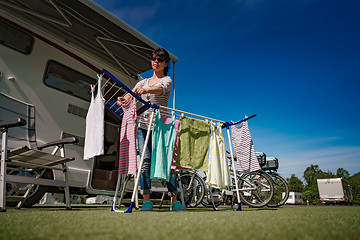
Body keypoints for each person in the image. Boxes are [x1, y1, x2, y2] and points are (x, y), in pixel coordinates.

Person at [117, 47, 186, 211]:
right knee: (145, 162)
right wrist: (122, 99)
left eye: (160, 59)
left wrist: (147, 90)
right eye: (154, 58)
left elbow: (161, 89)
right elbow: (129, 96)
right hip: (142, 126)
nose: (156, 61)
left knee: (166, 161)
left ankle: (174, 201)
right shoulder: (141, 82)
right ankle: (146, 200)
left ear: (165, 63)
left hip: (161, 126)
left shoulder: (167, 79)